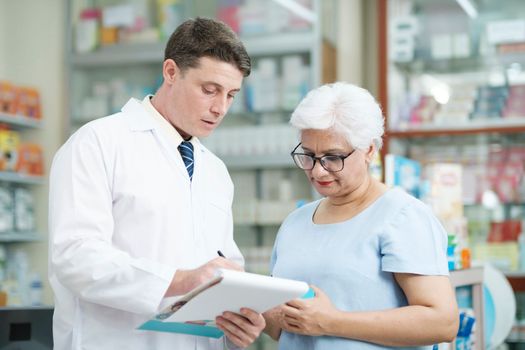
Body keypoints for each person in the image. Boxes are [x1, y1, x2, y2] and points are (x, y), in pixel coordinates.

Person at [49, 17, 265, 350]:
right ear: (171, 72)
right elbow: (76, 258)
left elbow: (225, 265)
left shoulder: (215, 170)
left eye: (231, 95)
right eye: (209, 90)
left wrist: (237, 317)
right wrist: (180, 280)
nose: (220, 107)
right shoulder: (98, 143)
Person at [263, 82, 459, 349]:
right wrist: (263, 314)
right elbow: (284, 328)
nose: (318, 171)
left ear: (368, 149)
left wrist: (332, 321)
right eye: (308, 155)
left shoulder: (402, 217)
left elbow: (442, 322)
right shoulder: (295, 223)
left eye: (333, 157)